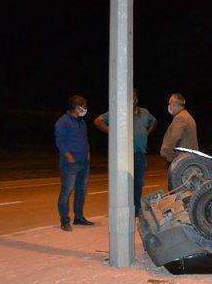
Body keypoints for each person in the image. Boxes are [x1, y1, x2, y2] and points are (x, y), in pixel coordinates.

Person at [93, 88, 157, 217]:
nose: (131, 99)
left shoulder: (144, 112)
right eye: (128, 97)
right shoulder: (119, 111)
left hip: (139, 154)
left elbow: (154, 122)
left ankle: (136, 209)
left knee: (138, 183)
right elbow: (98, 121)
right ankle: (122, 210)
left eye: (133, 97)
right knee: (123, 183)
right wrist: (113, 131)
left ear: (136, 99)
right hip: (124, 155)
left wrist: (146, 132)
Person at [54, 95, 94, 231]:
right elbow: (59, 141)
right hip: (70, 164)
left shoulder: (81, 122)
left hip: (83, 162)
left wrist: (88, 151)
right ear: (77, 108)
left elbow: (84, 138)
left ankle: (79, 218)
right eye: (84, 106)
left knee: (81, 191)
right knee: (66, 191)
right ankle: (65, 220)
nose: (86, 109)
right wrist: (68, 155)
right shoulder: (63, 121)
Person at [160, 93, 198, 189]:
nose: (169, 106)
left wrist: (166, 154)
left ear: (174, 104)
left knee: (175, 189)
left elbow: (174, 139)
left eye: (170, 103)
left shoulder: (180, 118)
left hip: (179, 160)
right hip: (186, 160)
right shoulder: (186, 116)